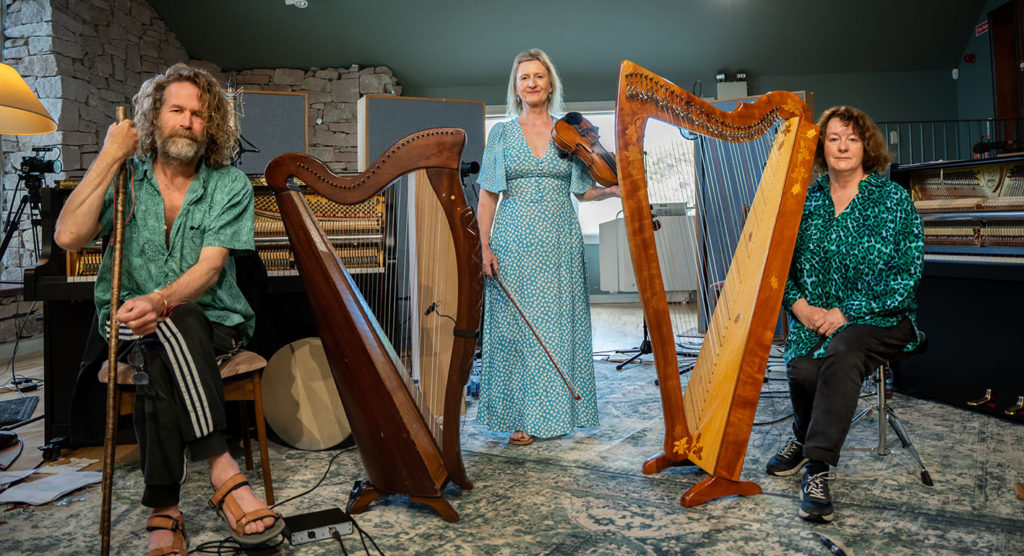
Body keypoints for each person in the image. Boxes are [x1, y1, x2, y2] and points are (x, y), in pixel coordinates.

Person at [54, 63, 283, 553]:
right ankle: (224, 474)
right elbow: (69, 236)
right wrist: (109, 155)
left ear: (211, 126)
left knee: (177, 321)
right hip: (133, 329)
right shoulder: (126, 178)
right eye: (176, 110)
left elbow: (209, 272)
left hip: (212, 323)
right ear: (154, 119)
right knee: (157, 349)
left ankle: (165, 509)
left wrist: (159, 300)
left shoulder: (229, 186)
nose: (187, 122)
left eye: (199, 115)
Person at [767, 105, 924, 523]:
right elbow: (780, 267)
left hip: (882, 318)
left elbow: (904, 278)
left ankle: (816, 467)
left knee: (842, 351)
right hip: (815, 320)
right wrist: (800, 306)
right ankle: (802, 436)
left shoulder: (892, 201)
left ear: (865, 146)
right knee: (802, 369)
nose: (842, 146)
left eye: (852, 138)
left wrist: (846, 312)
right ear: (822, 146)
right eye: (834, 138)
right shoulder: (806, 199)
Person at [475, 49, 620, 446]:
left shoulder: (567, 133)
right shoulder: (501, 134)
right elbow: (488, 196)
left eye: (539, 76)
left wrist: (613, 191)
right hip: (514, 238)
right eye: (525, 77)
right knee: (517, 331)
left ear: (550, 83)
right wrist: (485, 247)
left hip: (559, 238)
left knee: (557, 326)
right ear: (516, 87)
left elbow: (582, 190)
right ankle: (521, 416)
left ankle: (553, 414)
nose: (533, 83)